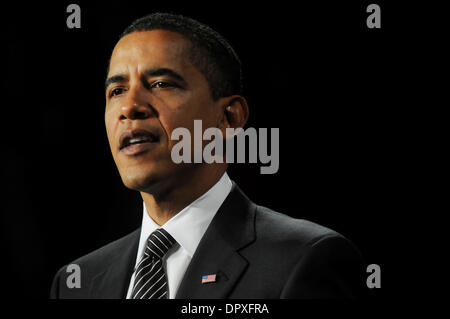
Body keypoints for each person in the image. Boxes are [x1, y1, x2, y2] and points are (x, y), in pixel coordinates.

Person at [50, 12, 366, 299]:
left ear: (229, 118)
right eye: (116, 90)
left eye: (160, 83)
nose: (130, 107)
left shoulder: (305, 259)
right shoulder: (77, 283)